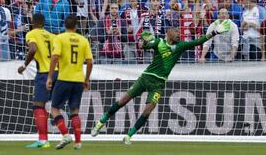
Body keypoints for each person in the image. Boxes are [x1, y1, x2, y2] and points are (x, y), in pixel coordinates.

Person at [91, 20, 231, 145]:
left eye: (179, 32)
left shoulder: (180, 46)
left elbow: (199, 41)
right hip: (145, 78)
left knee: (148, 111)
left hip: (158, 84)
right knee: (123, 101)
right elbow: (143, 47)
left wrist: (215, 32)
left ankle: (129, 136)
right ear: (168, 33)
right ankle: (100, 123)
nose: (178, 34)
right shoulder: (159, 42)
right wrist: (145, 41)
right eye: (176, 31)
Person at [46, 15, 93, 150]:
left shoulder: (60, 38)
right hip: (78, 80)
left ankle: (66, 135)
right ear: (76, 27)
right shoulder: (83, 40)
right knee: (74, 111)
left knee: (54, 108)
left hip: (64, 78)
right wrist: (87, 79)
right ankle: (78, 142)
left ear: (64, 26)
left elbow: (55, 57)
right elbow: (90, 62)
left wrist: (49, 77)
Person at [17, 13, 57, 148]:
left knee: (38, 105)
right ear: (44, 23)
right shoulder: (52, 36)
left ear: (33, 22)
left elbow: (33, 49)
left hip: (44, 73)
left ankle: (43, 140)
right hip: (57, 72)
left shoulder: (32, 33)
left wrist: (24, 65)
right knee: (55, 106)